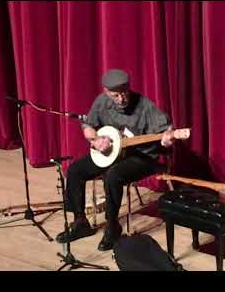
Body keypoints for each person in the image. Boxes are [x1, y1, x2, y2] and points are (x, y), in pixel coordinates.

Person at [56, 69, 175, 251]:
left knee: (112, 176)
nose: (121, 99)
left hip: (141, 157)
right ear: (106, 92)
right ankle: (80, 222)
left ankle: (112, 227)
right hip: (114, 152)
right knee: (75, 170)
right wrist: (95, 141)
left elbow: (168, 129)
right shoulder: (101, 102)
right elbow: (88, 125)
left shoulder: (144, 106)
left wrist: (168, 139)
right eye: (115, 95)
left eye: (124, 93)